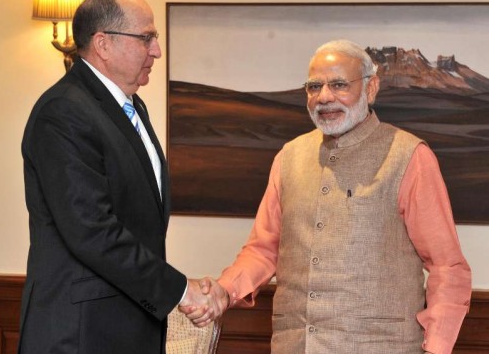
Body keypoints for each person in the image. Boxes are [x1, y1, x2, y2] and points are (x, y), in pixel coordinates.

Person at [189, 39, 472, 353]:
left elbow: (448, 267)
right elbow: (263, 249)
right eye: (314, 87)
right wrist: (224, 291)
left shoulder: (409, 157)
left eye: (339, 85)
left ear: (371, 88)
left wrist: (437, 347)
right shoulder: (290, 157)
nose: (324, 97)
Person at [19, 0, 216, 354]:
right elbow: (92, 231)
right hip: (80, 335)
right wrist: (181, 289)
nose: (156, 50)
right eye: (146, 38)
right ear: (103, 44)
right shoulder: (63, 112)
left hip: (126, 327)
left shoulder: (132, 108)